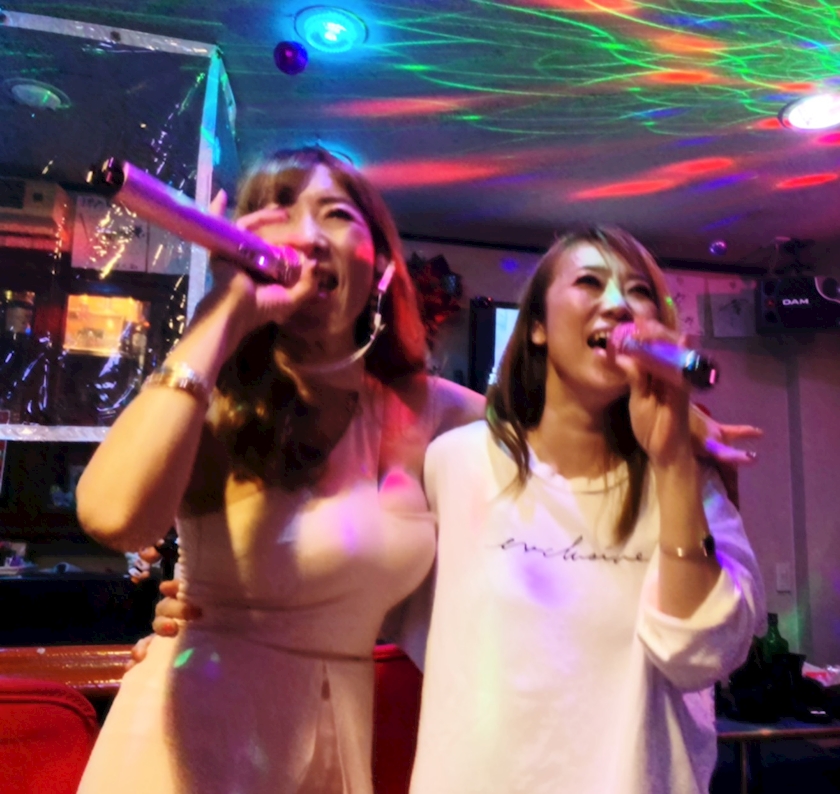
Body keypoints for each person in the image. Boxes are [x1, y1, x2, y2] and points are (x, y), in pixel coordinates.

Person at [75, 146, 485, 794]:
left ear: (381, 263)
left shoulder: (430, 409)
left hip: (336, 743)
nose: (309, 236)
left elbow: (563, 446)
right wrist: (224, 310)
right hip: (192, 743)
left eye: (336, 214)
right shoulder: (217, 394)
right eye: (280, 212)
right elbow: (112, 517)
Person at [407, 227, 765, 794]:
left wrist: (673, 460)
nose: (619, 303)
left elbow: (702, 656)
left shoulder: (690, 487)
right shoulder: (456, 464)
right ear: (538, 326)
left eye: (639, 291)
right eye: (590, 282)